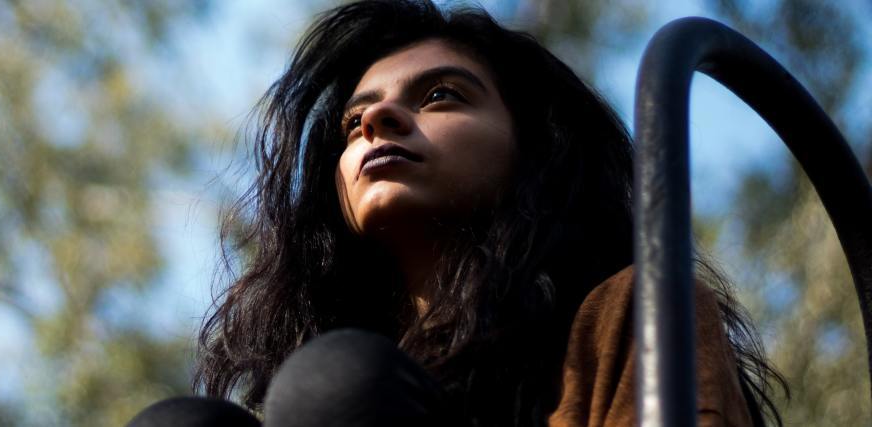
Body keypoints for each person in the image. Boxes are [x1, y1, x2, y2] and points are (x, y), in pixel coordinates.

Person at [129, 1, 785, 425]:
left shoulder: (632, 309)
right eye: (352, 122)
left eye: (441, 95)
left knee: (339, 385)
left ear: (537, 146)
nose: (375, 123)